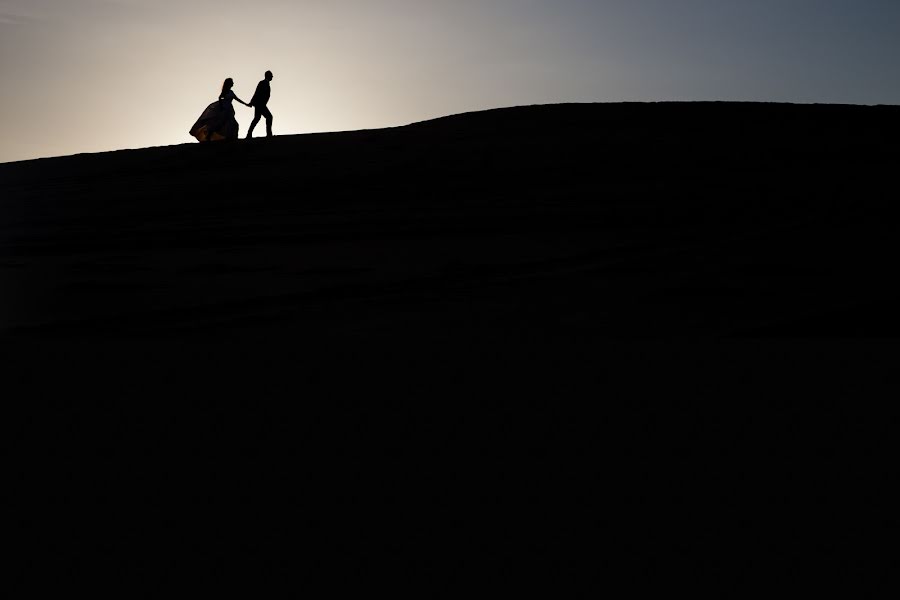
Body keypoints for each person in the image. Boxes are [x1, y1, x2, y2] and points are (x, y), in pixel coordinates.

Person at [189, 78, 251, 142]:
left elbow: (237, 99)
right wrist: (222, 105)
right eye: (232, 82)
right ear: (229, 83)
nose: (233, 83)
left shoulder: (231, 92)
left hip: (229, 110)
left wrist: (246, 104)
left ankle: (231, 137)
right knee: (221, 124)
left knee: (232, 124)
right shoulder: (225, 91)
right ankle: (209, 135)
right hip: (224, 110)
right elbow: (220, 97)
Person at [247, 71, 274, 138]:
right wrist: (252, 102)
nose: (272, 77)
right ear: (268, 76)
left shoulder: (266, 84)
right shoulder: (263, 83)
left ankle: (249, 134)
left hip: (260, 104)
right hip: (260, 104)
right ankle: (269, 134)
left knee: (257, 118)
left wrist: (252, 102)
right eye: (271, 75)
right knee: (269, 117)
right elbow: (257, 93)